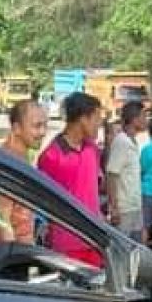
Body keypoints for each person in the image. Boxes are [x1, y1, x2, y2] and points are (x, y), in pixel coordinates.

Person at [37, 92, 105, 267]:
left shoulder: (92, 150)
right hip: (66, 245)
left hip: (94, 240)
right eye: (97, 118)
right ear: (83, 118)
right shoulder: (52, 156)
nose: (100, 124)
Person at [0, 99, 47, 244]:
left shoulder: (19, 159)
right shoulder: (8, 163)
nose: (43, 132)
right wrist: (13, 258)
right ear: (17, 128)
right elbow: (3, 219)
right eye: (37, 126)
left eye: (45, 125)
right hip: (14, 251)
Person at [107, 101, 148, 241]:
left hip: (135, 206)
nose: (146, 120)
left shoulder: (132, 142)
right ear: (134, 119)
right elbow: (112, 174)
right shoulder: (121, 142)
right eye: (144, 116)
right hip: (124, 209)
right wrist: (114, 208)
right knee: (122, 251)